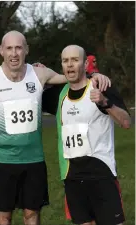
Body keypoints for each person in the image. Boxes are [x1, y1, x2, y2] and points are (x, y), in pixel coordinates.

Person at [0, 32, 111, 225]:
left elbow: (72, 77)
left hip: (33, 160)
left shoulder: (39, 74)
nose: (14, 53)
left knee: (31, 215)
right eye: (9, 48)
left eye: (19, 48)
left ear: (26, 50)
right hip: (2, 161)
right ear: (1, 50)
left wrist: (94, 75)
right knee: (3, 217)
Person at [41, 45, 131, 225]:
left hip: (102, 174)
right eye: (66, 61)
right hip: (72, 176)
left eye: (75, 60)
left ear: (85, 63)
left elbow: (126, 122)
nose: (70, 65)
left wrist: (106, 103)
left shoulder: (101, 86)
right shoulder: (59, 94)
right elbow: (30, 89)